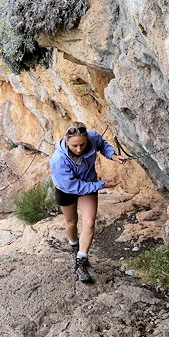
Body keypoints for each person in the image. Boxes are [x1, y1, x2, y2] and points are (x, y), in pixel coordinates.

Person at [49, 121, 127, 283]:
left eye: (82, 145)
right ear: (66, 140)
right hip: (66, 189)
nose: (79, 149)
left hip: (88, 183)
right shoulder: (59, 160)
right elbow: (72, 186)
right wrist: (101, 184)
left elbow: (102, 144)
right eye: (74, 146)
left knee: (89, 222)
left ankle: (80, 261)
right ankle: (74, 245)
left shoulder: (92, 138)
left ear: (87, 138)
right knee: (71, 222)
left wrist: (111, 155)